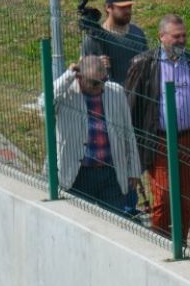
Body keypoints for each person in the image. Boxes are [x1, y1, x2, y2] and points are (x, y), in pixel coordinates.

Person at [124, 14, 190, 242]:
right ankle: (160, 243)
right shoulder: (144, 64)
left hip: (188, 139)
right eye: (176, 36)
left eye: (184, 35)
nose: (181, 40)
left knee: (184, 197)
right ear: (161, 37)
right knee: (164, 196)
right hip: (159, 140)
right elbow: (131, 105)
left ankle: (180, 244)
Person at [81, 0, 148, 219]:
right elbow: (84, 75)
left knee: (132, 155)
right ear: (108, 8)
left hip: (135, 105)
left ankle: (130, 204)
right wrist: (97, 66)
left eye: (129, 7)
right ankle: (122, 207)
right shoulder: (94, 38)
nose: (127, 11)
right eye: (121, 8)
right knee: (117, 156)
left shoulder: (137, 34)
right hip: (108, 108)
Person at [44, 55, 140, 214]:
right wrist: (67, 76)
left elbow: (128, 132)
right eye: (95, 83)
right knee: (79, 220)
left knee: (114, 221)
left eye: (104, 80)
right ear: (79, 77)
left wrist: (134, 169)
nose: (100, 86)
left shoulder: (116, 92)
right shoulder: (66, 93)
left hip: (111, 172)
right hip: (78, 173)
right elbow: (44, 104)